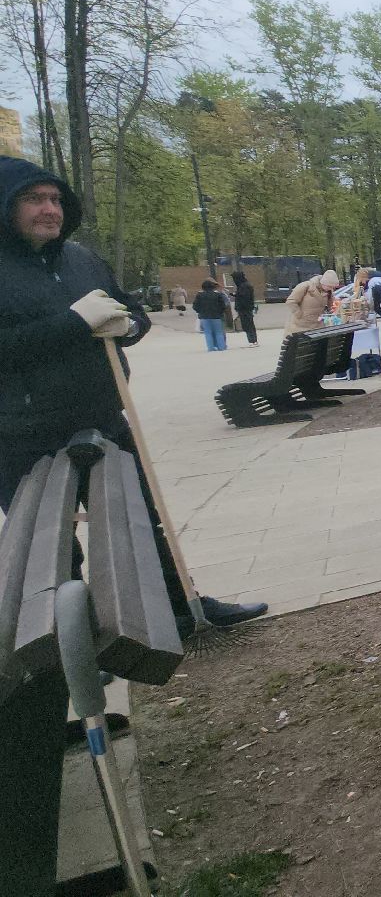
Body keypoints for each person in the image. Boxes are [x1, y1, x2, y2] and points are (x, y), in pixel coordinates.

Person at [1, 157, 266, 891]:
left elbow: (128, 314)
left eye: (55, 198)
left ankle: (181, 608)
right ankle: (73, 653)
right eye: (34, 200)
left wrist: (128, 320)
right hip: (23, 433)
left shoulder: (81, 257)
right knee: (54, 556)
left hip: (100, 412)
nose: (50, 209)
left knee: (144, 521)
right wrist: (70, 324)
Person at [286, 268, 340, 333]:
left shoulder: (329, 292)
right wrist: (299, 314)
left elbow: (329, 306)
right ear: (323, 282)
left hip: (318, 325)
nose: (331, 288)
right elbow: (291, 301)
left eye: (332, 287)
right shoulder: (305, 286)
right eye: (329, 286)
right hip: (300, 325)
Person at [192, 278, 229, 351]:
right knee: (219, 332)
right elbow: (223, 306)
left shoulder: (199, 295)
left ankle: (210, 347)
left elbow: (195, 306)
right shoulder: (217, 295)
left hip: (204, 317)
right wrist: (220, 312)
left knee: (208, 333)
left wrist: (200, 311)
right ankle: (221, 347)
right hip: (216, 316)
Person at [232, 268, 259, 346]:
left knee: (247, 324)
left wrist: (238, 298)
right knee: (249, 324)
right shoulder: (245, 285)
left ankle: (252, 341)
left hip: (244, 308)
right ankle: (253, 340)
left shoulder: (243, 286)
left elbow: (245, 298)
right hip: (247, 308)